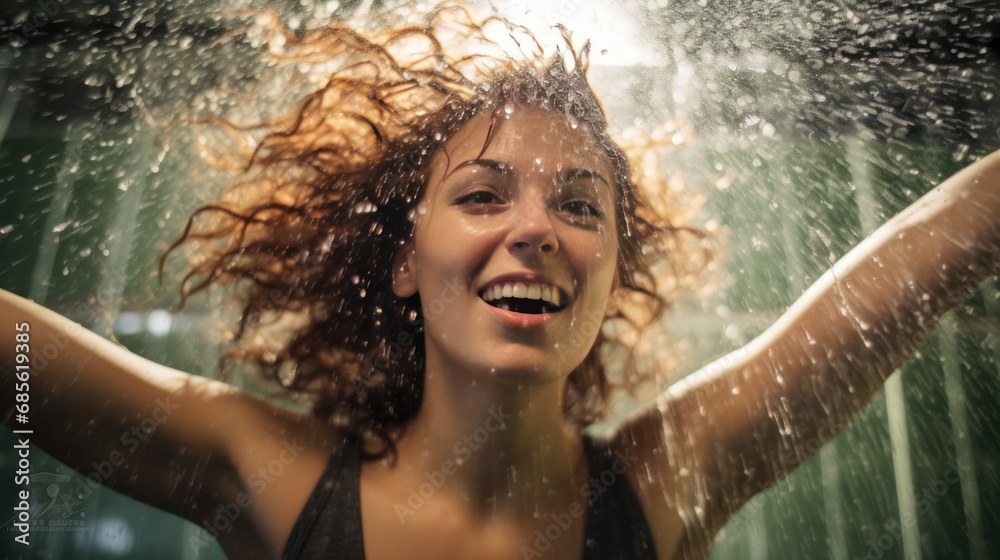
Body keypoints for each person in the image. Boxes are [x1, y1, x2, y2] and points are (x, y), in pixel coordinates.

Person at [2, 5, 998, 560]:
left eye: (578, 205)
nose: (536, 230)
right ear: (401, 257)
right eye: (483, 196)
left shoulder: (665, 476)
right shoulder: (269, 475)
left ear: (612, 274)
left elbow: (943, 241)